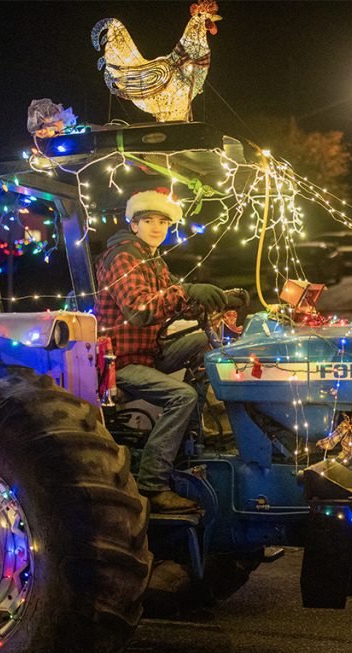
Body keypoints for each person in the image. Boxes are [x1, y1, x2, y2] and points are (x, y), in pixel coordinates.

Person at [95, 188, 228, 513]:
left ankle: (192, 438)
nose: (157, 227)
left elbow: (174, 303)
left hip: (148, 353)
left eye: (163, 222)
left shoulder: (151, 259)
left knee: (207, 342)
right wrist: (187, 291)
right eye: (148, 220)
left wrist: (212, 302)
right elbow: (140, 309)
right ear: (134, 224)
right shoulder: (123, 257)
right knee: (182, 396)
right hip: (120, 363)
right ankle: (153, 485)